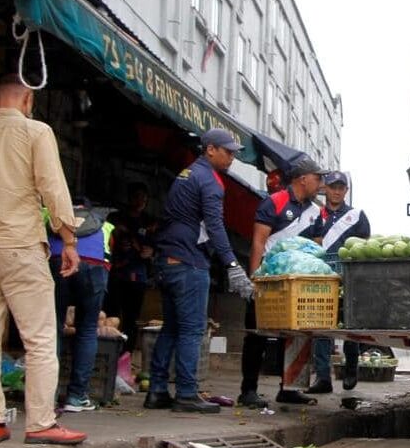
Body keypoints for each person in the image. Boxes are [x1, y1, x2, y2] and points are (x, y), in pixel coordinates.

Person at [0, 73, 86, 445]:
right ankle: (41, 422)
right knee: (40, 339)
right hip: (20, 246)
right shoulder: (36, 132)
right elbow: (52, 186)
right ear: (28, 101)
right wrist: (68, 238)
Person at [145, 128, 253, 413]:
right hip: (189, 264)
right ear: (210, 149)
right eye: (228, 152)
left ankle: (157, 391)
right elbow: (215, 226)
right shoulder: (210, 182)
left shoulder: (187, 175)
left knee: (171, 328)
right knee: (192, 331)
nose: (232, 158)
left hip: (169, 261)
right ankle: (187, 393)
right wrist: (231, 264)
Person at [237, 156, 327, 408]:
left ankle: (289, 388)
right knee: (257, 334)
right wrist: (254, 279)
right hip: (269, 279)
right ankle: (248, 391)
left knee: (297, 334)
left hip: (296, 283)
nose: (320, 183)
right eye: (317, 178)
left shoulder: (314, 212)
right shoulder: (273, 202)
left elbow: (316, 249)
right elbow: (258, 242)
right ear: (303, 179)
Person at [302, 171, 371, 394]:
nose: (337, 191)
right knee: (321, 325)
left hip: (350, 277)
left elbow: (365, 246)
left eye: (341, 188)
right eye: (333, 187)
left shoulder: (357, 216)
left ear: (346, 191)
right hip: (321, 275)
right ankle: (323, 378)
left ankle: (351, 368)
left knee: (350, 324)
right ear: (325, 189)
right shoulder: (314, 215)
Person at [48, 201, 114, 413]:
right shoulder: (103, 222)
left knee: (53, 328)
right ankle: (76, 397)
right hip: (94, 266)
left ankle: (48, 395)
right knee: (86, 329)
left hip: (57, 260)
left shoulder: (50, 214)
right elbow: (109, 252)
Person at [103, 183, 156, 355]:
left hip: (138, 276)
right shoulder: (116, 218)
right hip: (116, 273)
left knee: (131, 319)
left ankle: (126, 355)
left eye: (144, 198)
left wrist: (152, 252)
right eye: (138, 196)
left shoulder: (149, 221)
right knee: (111, 316)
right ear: (130, 198)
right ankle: (109, 352)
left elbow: (157, 245)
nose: (141, 201)